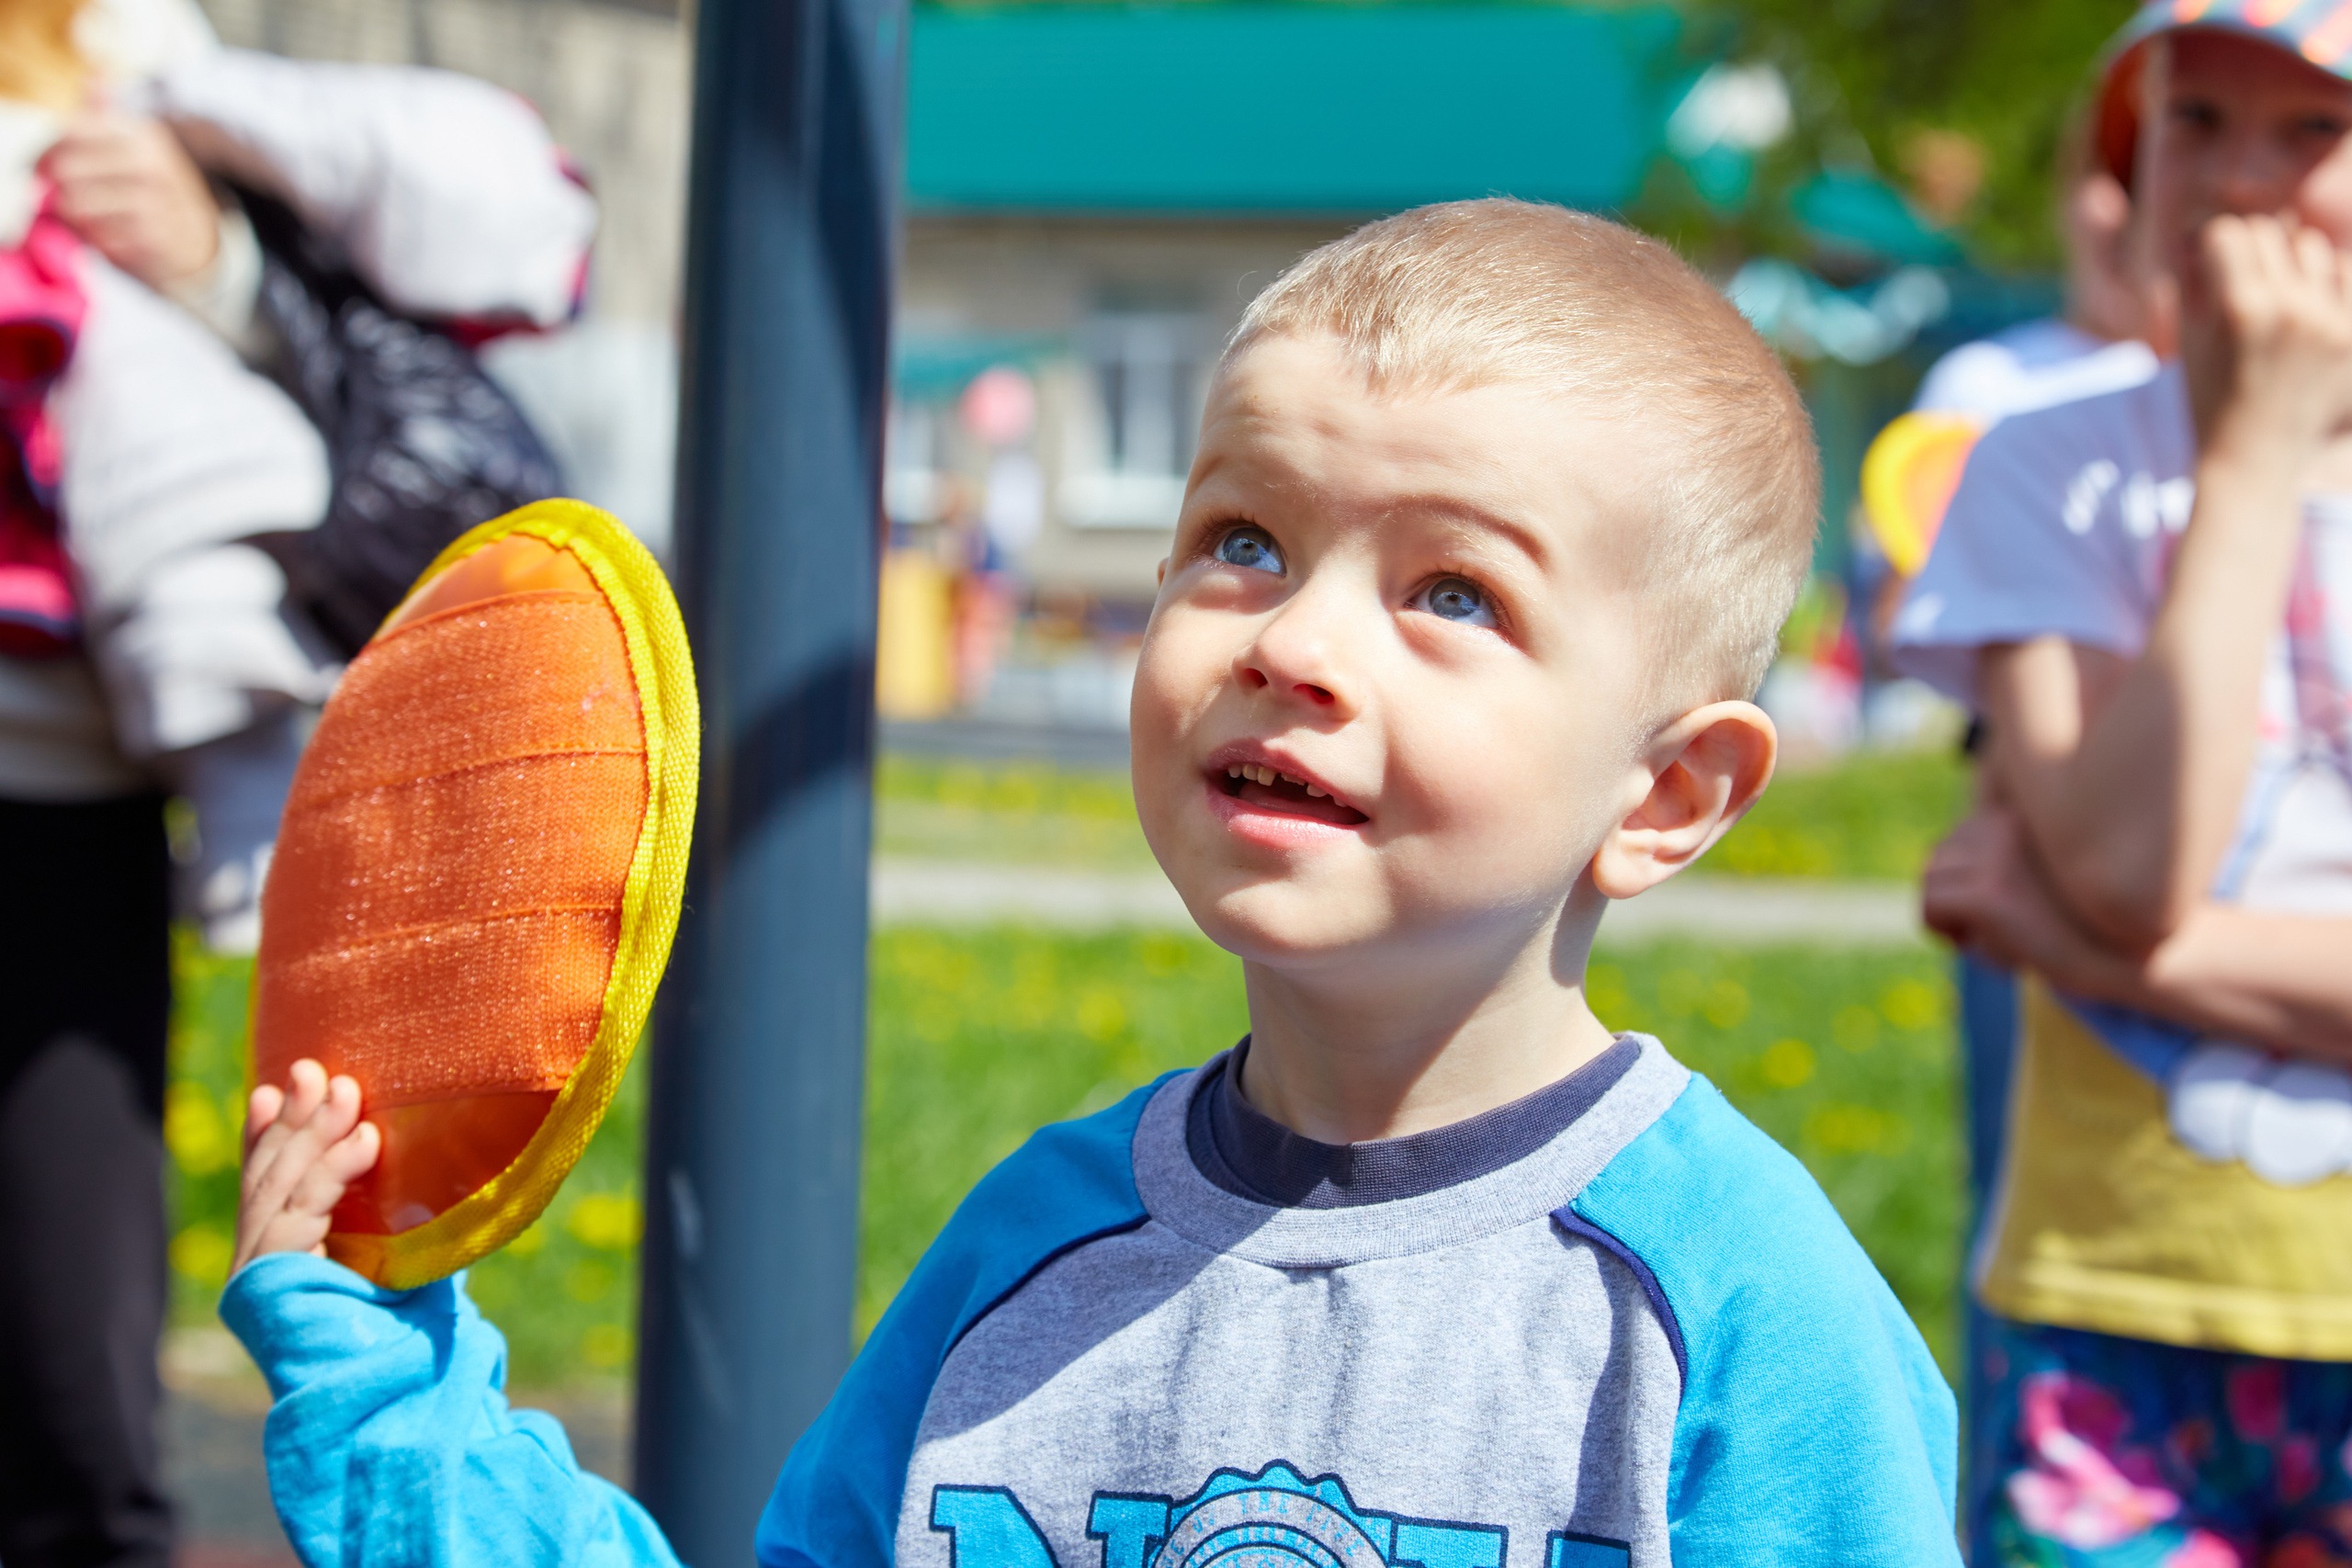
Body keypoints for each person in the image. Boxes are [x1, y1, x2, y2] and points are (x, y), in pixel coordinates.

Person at [222, 200, 1960, 1568]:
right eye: (1244, 541)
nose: (1291, 640)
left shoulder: (1732, 1312)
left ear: (1664, 796)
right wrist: (389, 1390)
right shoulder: (1034, 1250)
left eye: (1452, 594)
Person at [0, 5, 593, 1564]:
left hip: (60, 800)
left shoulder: (131, 50)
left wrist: (217, 268)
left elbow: (383, 281)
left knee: (66, 1384)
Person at [1893, 3, 2352, 1560]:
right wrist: (2253, 464)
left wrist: (2090, 955)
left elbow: (2102, 912)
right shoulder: (2046, 462)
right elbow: (2132, 862)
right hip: (2107, 1306)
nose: (2238, 181)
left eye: (2314, 131)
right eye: (2192, 125)